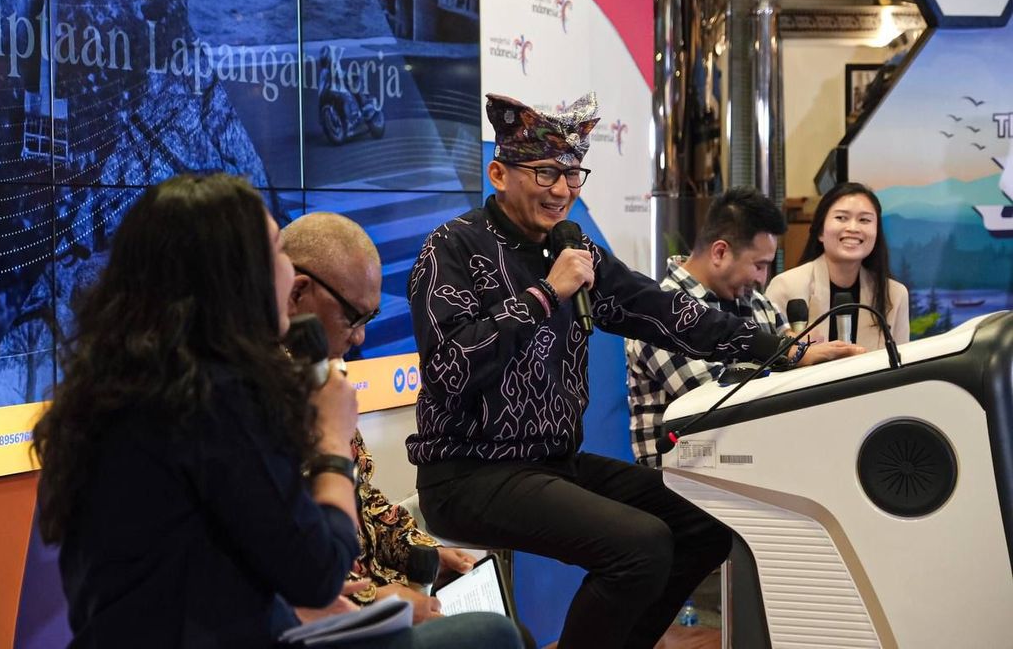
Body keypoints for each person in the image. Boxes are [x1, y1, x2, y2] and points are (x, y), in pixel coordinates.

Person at [31, 174, 521, 649]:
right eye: (274, 252)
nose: (288, 272)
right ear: (233, 279)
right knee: (495, 635)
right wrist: (331, 438)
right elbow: (318, 567)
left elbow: (231, 553)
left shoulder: (121, 389)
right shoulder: (220, 399)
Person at [405, 92, 798, 649]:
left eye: (572, 174)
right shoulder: (451, 247)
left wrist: (784, 350)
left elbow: (665, 313)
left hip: (551, 463)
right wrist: (547, 295)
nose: (563, 190)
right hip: (468, 471)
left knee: (704, 522)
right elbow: (451, 366)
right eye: (546, 173)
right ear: (499, 172)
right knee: (639, 546)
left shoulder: (574, 250)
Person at [280, 213, 477, 625]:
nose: (360, 338)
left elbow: (362, 499)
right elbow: (292, 553)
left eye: (369, 320)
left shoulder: (318, 378)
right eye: (352, 318)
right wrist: (382, 602)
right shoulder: (258, 398)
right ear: (298, 292)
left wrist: (422, 552)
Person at [625, 187, 864, 466]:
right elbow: (717, 400)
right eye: (759, 265)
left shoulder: (759, 305)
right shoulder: (660, 312)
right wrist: (795, 360)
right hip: (678, 485)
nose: (763, 278)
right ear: (720, 252)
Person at [765, 181, 909, 350]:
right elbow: (770, 362)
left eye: (864, 220)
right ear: (820, 231)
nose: (853, 228)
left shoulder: (894, 295)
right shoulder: (786, 287)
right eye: (841, 218)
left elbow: (900, 370)